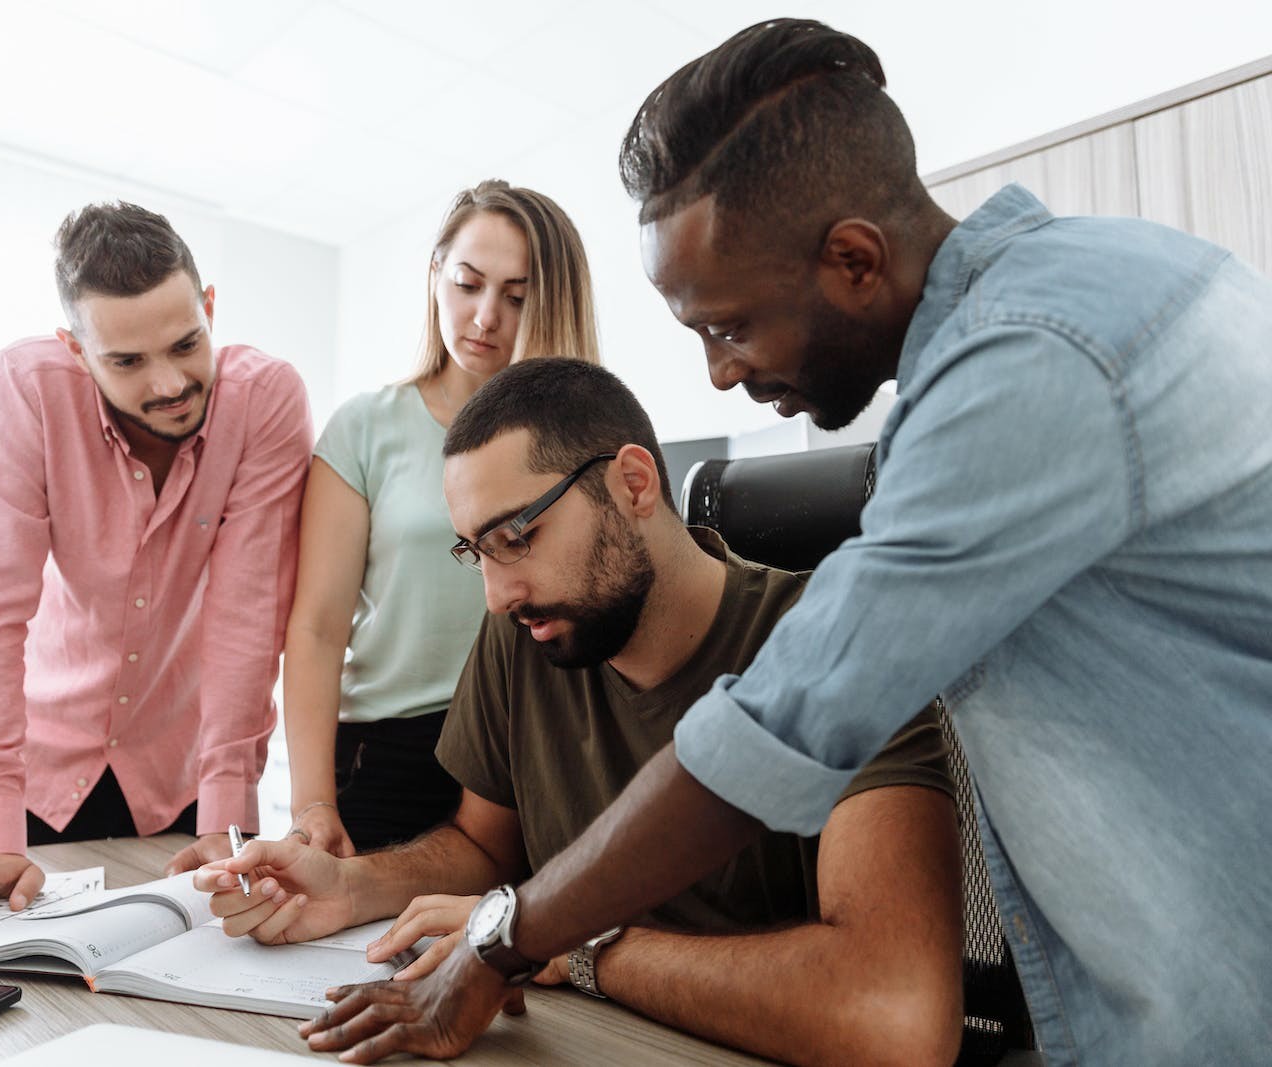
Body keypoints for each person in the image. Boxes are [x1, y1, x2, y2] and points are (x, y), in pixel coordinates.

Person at [296, 18, 1272, 1066]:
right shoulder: (1052, 308)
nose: (718, 374)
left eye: (727, 326)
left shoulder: (1027, 361)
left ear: (853, 259)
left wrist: (508, 936)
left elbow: (778, 724)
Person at [203, 359, 965, 1066]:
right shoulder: (526, 635)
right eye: (477, 551)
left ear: (634, 483)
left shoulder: (836, 642)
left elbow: (894, 1014)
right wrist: (351, 884)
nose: (498, 595)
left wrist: (578, 948)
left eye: (517, 537)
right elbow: (481, 846)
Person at [0, 201, 313, 928]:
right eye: (126, 361)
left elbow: (247, 614)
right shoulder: (26, 390)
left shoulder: (265, 401)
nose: (167, 384)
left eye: (187, 344)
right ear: (75, 348)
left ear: (210, 308)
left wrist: (228, 814)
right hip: (39, 771)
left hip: (180, 771)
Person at [282, 180, 600, 856]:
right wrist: (313, 803)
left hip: (537, 748)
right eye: (467, 283)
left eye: (516, 297)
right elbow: (316, 628)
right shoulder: (366, 427)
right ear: (435, 276)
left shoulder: (585, 444)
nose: (486, 315)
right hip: (390, 752)